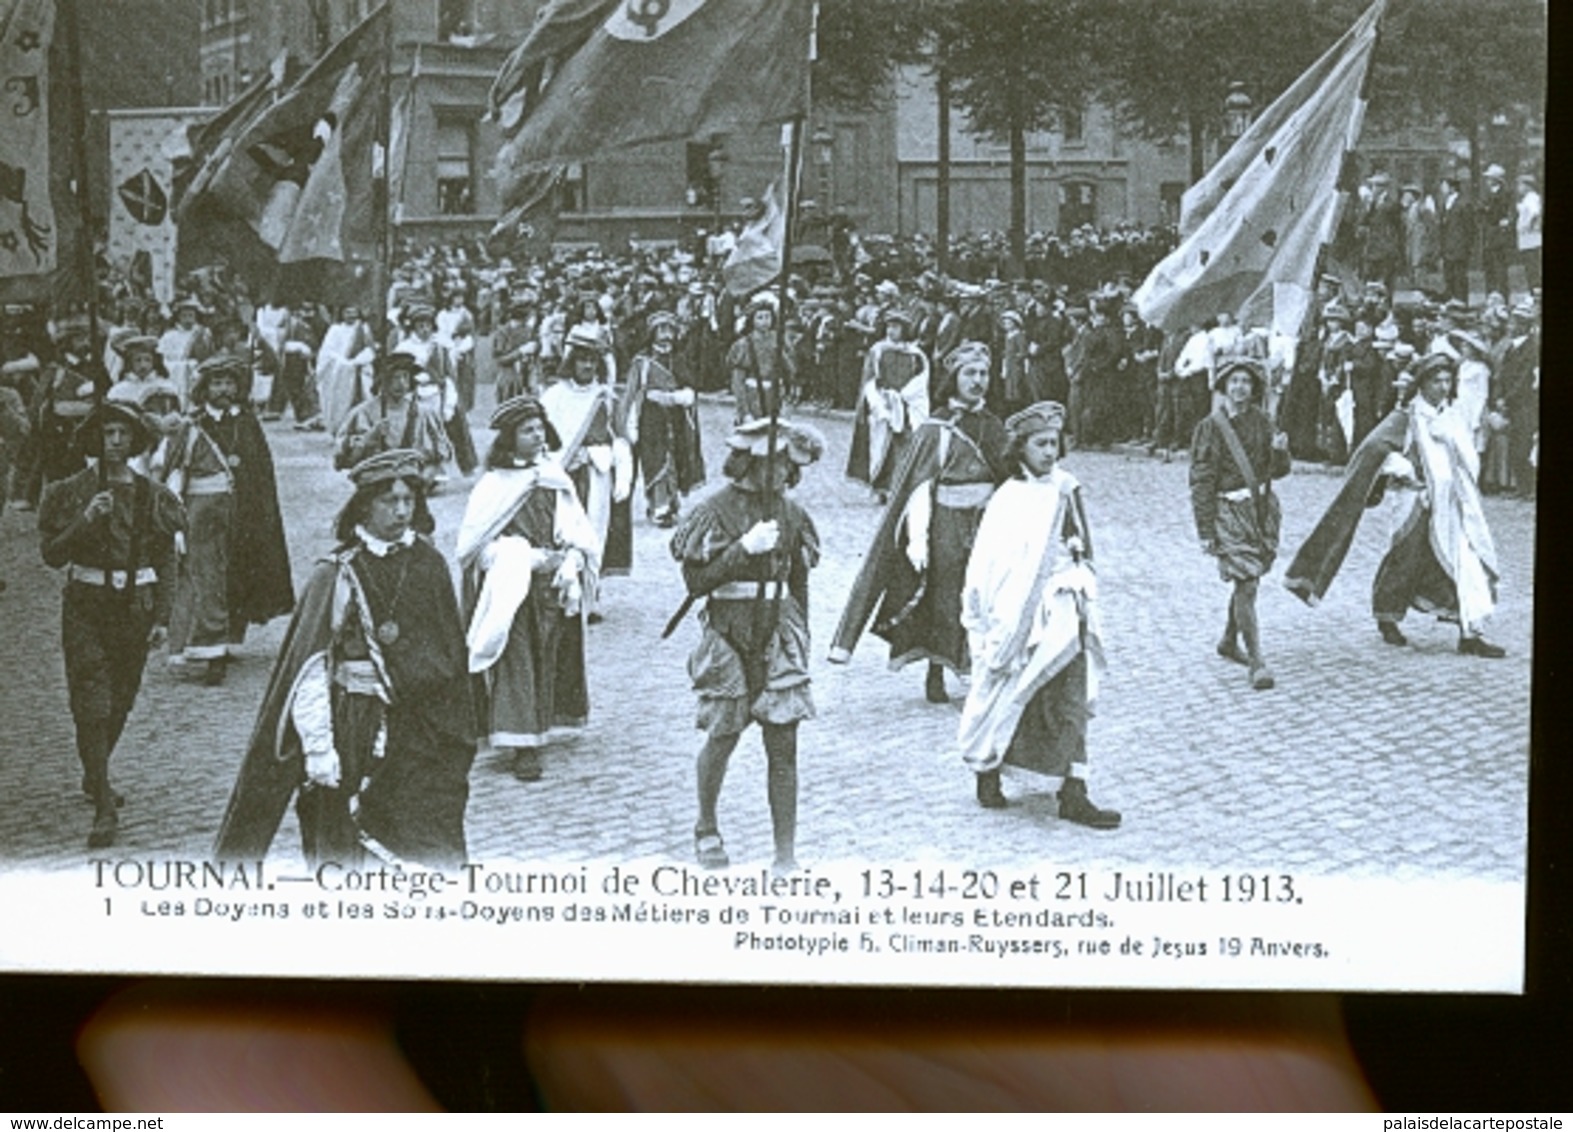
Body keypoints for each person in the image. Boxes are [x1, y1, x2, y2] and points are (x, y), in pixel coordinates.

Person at [214, 448, 478, 868]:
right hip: (352, 724)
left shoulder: (429, 564)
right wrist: (319, 748)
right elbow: (310, 669)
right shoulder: (335, 573)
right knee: (343, 837)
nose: (401, 511)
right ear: (364, 505)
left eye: (409, 500)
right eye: (389, 501)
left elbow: (451, 656)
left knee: (425, 840)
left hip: (420, 731)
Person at [669, 417, 824, 872]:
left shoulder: (793, 514)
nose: (782, 474)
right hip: (727, 634)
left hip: (778, 633)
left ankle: (785, 856)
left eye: (787, 465)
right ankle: (706, 826)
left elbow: (799, 581)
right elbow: (696, 580)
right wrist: (742, 550)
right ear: (750, 461)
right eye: (774, 462)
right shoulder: (713, 510)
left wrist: (801, 637)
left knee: (784, 747)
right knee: (724, 735)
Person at [955, 400, 1117, 827]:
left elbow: (1084, 545)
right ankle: (987, 768)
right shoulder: (1007, 498)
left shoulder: (1066, 488)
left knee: (1071, 700)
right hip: (1017, 616)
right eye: (1040, 443)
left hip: (1066, 607)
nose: (1049, 451)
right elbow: (989, 563)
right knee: (1008, 691)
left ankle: (1073, 791)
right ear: (1020, 448)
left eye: (1054, 443)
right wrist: (992, 616)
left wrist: (1080, 579)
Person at [1284, 353, 1504, 658]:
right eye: (1435, 380)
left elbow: (1467, 457)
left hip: (1453, 503)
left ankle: (1470, 632)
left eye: (1446, 380)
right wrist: (1400, 465)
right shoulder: (1405, 418)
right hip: (1415, 501)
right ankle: (1387, 617)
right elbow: (1373, 449)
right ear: (1422, 384)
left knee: (1466, 560)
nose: (1442, 386)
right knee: (1405, 558)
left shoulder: (1451, 417)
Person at [829, 340, 1011, 704]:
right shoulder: (935, 428)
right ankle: (937, 670)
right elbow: (912, 489)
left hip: (986, 522)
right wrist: (918, 535)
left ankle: (981, 667)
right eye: (970, 373)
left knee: (988, 595)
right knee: (944, 595)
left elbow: (1010, 477)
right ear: (954, 378)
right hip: (946, 522)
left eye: (983, 373)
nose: (978, 381)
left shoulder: (995, 426)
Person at [38, 401, 185, 848]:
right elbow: (52, 554)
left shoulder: (154, 495)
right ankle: (104, 804)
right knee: (91, 701)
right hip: (85, 606)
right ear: (95, 441)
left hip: (134, 609)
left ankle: (93, 773)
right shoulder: (70, 491)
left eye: (123, 433)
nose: (116, 442)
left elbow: (166, 559)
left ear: (135, 440)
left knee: (120, 699)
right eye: (108, 434)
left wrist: (162, 615)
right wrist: (86, 520)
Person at [457, 396, 601, 783]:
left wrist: (571, 557)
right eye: (527, 430)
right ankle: (523, 746)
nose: (537, 436)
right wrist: (520, 556)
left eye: (540, 428)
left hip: (550, 588)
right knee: (517, 660)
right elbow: (474, 549)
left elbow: (576, 528)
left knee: (547, 657)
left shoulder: (554, 478)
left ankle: (542, 726)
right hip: (511, 589)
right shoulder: (493, 486)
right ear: (509, 438)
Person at [160, 355, 294, 685]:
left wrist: (261, 510)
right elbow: (176, 468)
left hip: (245, 508)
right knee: (207, 574)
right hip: (206, 512)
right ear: (204, 389)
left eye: (229, 383)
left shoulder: (246, 422)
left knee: (239, 568)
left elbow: (260, 468)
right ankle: (209, 645)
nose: (223, 389)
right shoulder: (196, 425)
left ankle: (229, 636)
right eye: (216, 383)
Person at [1189, 357, 1291, 692]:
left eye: (1246, 381)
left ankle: (1229, 640)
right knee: (1246, 583)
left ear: (1254, 388)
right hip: (1227, 513)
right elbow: (1201, 481)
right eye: (1233, 381)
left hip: (1260, 511)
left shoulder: (1264, 421)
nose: (1239, 387)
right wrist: (1206, 530)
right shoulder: (1210, 427)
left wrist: (1280, 453)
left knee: (1249, 582)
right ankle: (1257, 661)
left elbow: (1278, 472)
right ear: (1224, 387)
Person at [540, 327, 633, 615]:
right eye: (582, 360)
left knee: (593, 534)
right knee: (563, 534)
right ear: (572, 362)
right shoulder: (553, 396)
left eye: (593, 360)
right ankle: (562, 592)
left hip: (596, 477)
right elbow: (543, 440)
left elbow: (619, 438)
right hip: (564, 477)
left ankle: (589, 600)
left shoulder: (605, 398)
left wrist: (618, 464)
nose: (588, 366)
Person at [618, 310, 705, 528]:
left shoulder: (679, 359)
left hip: (675, 416)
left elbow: (691, 384)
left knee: (676, 457)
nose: (666, 335)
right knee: (655, 459)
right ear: (652, 333)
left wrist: (682, 396)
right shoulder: (642, 362)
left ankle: (671, 502)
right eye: (661, 330)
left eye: (670, 330)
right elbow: (630, 393)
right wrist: (626, 423)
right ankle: (659, 506)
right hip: (651, 417)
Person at [846, 308, 930, 500]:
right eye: (889, 327)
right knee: (882, 444)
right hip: (883, 404)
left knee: (903, 444)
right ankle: (880, 486)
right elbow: (870, 379)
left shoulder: (915, 354)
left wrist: (906, 396)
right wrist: (877, 401)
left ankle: (898, 485)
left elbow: (922, 380)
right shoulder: (878, 350)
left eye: (896, 327)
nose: (891, 331)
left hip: (906, 405)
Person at [335, 350, 452, 481]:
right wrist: (369, 437)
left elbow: (441, 454)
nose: (401, 383)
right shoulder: (363, 413)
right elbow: (343, 458)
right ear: (383, 381)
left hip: (412, 480)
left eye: (405, 376)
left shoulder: (423, 413)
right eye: (395, 378)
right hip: (374, 479)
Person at [726, 292, 792, 425]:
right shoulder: (744, 344)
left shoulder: (779, 340)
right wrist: (744, 412)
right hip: (753, 395)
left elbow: (789, 370)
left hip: (775, 394)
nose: (764, 321)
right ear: (752, 320)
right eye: (760, 317)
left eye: (768, 317)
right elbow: (738, 381)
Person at [314, 305, 376, 435]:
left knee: (364, 398)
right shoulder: (335, 330)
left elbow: (370, 349)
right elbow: (328, 352)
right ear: (342, 313)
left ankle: (361, 429)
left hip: (360, 371)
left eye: (354, 311)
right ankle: (342, 430)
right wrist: (344, 363)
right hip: (339, 373)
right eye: (347, 311)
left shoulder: (363, 329)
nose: (351, 315)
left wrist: (360, 359)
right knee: (341, 403)